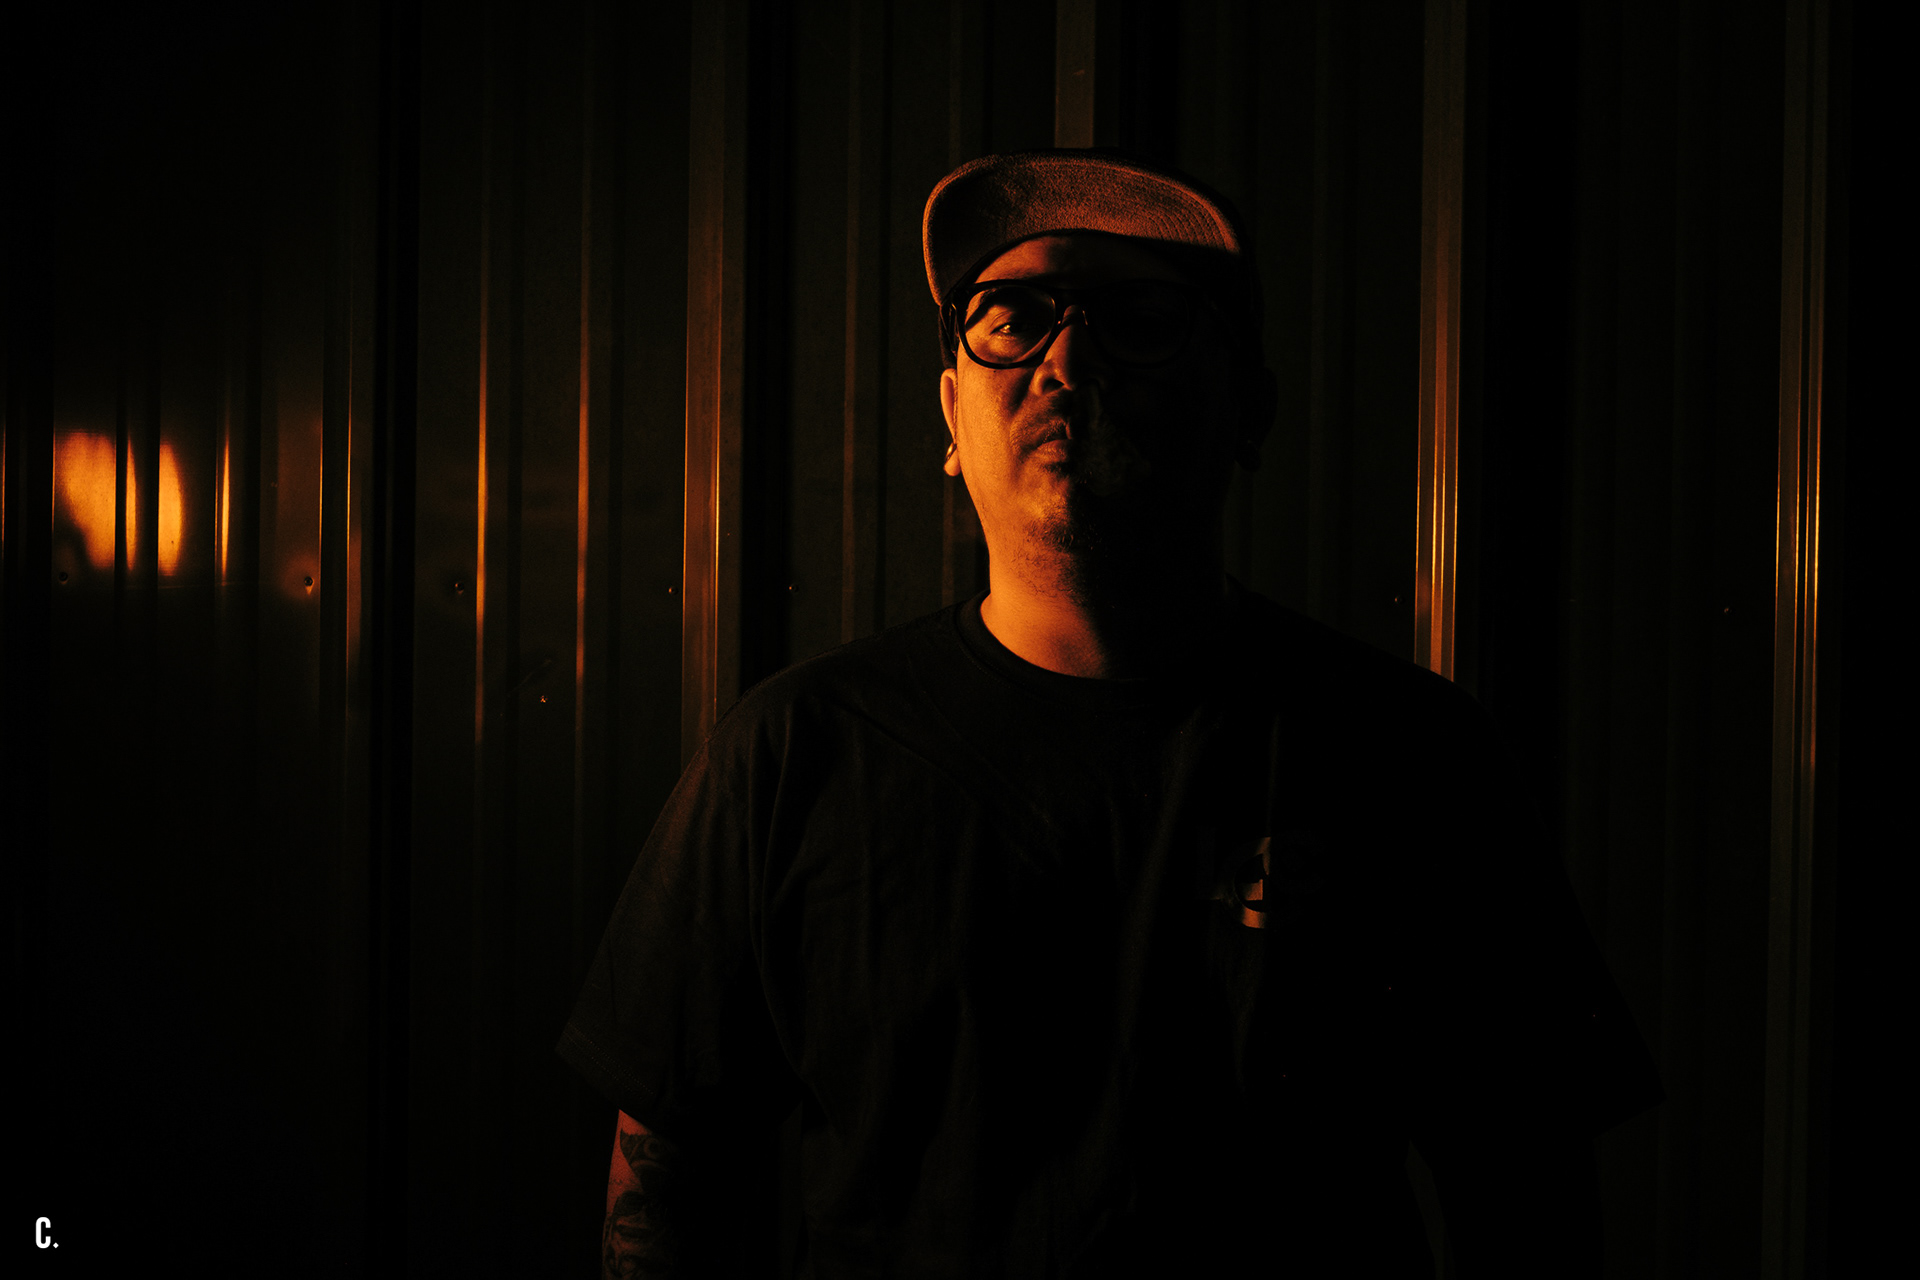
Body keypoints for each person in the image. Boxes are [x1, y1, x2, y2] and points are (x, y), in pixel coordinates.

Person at [559, 150, 1660, 1279]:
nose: (1069, 360)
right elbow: (667, 1183)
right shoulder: (792, 755)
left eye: (1141, 320)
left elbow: (1526, 1192)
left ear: (1250, 408)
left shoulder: (1411, 757)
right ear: (951, 415)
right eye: (1011, 321)